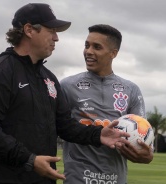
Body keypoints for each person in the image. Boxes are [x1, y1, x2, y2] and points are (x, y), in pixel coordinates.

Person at [0, 4, 129, 184]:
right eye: (52, 31)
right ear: (29, 30)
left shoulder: (49, 79)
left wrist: (99, 135)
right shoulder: (0, 71)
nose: (56, 38)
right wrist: (29, 159)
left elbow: (66, 126)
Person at [60, 24, 153, 184]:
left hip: (115, 180)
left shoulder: (131, 90)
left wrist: (146, 155)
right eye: (87, 45)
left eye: (97, 47)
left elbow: (142, 141)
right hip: (77, 179)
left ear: (113, 53)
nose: (88, 51)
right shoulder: (67, 86)